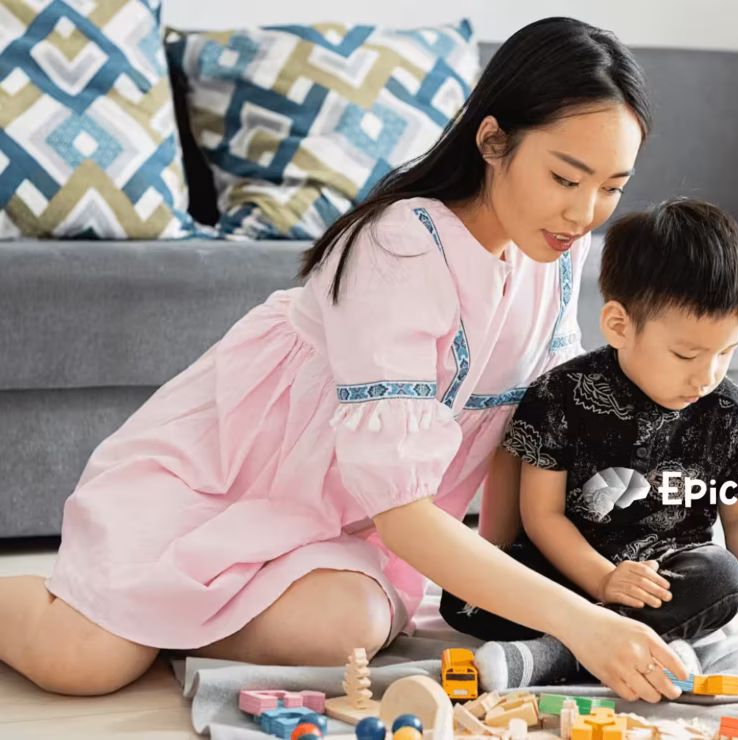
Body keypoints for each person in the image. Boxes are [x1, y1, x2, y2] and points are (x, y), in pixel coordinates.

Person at [0, 17, 690, 701]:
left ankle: (153, 617)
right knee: (82, 663)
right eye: (566, 178)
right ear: (492, 140)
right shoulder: (400, 248)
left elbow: (532, 432)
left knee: (349, 627)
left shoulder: (556, 258)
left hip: (336, 530)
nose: (584, 213)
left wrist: (572, 567)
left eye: (611, 187)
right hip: (218, 483)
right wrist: (580, 621)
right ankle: (123, 613)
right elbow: (403, 509)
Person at [441, 199, 738, 691]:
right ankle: (655, 641)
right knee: (464, 591)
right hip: (571, 572)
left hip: (664, 579)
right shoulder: (562, 394)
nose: (707, 376)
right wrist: (603, 579)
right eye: (686, 354)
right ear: (619, 325)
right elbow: (542, 517)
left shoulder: (729, 415)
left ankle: (554, 657)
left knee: (722, 578)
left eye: (727, 352)